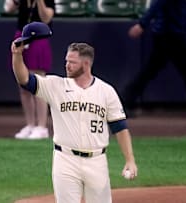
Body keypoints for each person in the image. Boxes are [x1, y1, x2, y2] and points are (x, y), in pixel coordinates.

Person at [11, 39, 138, 202]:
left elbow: (120, 127)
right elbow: (25, 80)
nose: (67, 65)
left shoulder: (106, 92)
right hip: (65, 160)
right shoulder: (55, 85)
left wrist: (130, 160)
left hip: (97, 161)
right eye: (66, 61)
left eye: (72, 62)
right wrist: (17, 54)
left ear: (86, 64)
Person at [124, 0, 186, 120]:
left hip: (169, 34)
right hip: (170, 35)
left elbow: (181, 9)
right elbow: (158, 3)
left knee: (149, 72)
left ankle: (124, 102)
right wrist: (142, 24)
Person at [4, 0, 55, 139]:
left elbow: (46, 17)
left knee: (38, 84)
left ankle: (42, 126)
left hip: (38, 38)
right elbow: (8, 8)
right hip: (21, 36)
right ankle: (30, 124)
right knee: (22, 84)